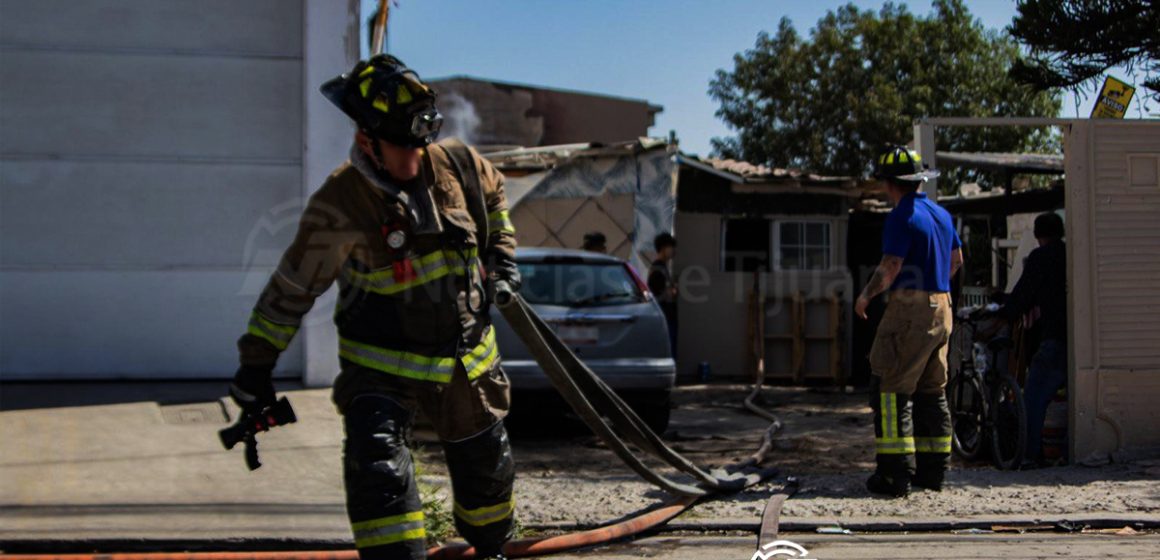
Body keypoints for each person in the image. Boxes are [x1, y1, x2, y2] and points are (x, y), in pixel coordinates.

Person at [228, 54, 519, 560]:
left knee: (489, 486)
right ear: (367, 142)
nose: (416, 159)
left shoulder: (457, 165)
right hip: (381, 368)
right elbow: (291, 290)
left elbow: (495, 197)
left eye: (420, 143)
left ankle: (491, 550)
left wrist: (502, 257)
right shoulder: (340, 204)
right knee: (379, 473)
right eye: (402, 148)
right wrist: (256, 366)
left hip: (465, 363)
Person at [855, 146, 963, 497]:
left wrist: (866, 295)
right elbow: (957, 260)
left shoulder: (902, 216)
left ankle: (894, 475)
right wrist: (934, 286)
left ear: (889, 184)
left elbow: (891, 266)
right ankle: (934, 473)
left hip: (910, 310)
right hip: (943, 307)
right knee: (932, 391)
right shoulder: (941, 215)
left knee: (890, 389)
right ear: (918, 180)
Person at [1002, 212, 1066, 467]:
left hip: (1053, 337)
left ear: (1039, 235)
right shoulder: (1069, 254)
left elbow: (1023, 294)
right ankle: (1063, 451)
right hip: (1075, 341)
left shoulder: (1041, 257)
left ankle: (1029, 454)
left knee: (1034, 396)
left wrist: (1004, 313)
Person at [648, 233, 679, 356]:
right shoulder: (657, 269)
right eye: (671, 247)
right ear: (663, 248)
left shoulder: (663, 268)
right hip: (664, 316)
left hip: (667, 315)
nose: (673, 251)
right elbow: (657, 293)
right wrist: (673, 291)